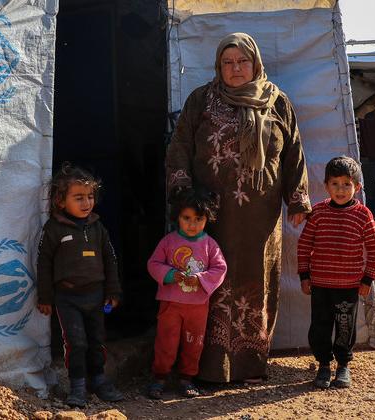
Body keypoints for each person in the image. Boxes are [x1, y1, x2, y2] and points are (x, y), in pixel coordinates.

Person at [165, 32, 311, 382]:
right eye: (227, 62)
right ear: (218, 66)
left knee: (255, 281)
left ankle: (249, 365)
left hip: (260, 217)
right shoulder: (201, 99)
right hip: (211, 215)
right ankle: (208, 368)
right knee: (209, 279)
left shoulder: (277, 102)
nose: (235, 68)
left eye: (242, 61)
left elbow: (293, 152)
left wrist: (297, 198)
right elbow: (180, 144)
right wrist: (183, 190)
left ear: (255, 63)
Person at [36, 163, 123, 407]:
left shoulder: (97, 227)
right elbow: (43, 263)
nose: (86, 203)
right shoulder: (53, 228)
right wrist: (45, 297)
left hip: (95, 295)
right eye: (79, 198)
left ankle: (99, 380)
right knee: (76, 342)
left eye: (90, 196)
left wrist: (113, 290)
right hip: (68, 298)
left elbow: (110, 259)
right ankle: (77, 387)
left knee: (96, 340)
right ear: (60, 201)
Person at [297, 156, 375, 389]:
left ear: (357, 187)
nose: (340, 189)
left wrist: (367, 279)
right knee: (320, 327)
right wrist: (304, 276)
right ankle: (324, 365)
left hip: (348, 285)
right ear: (326, 186)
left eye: (347, 184)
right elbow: (304, 245)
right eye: (335, 183)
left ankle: (343, 366)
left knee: (345, 327)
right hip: (320, 285)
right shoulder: (318, 213)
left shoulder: (362, 214)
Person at [146, 188, 227, 399]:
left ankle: (186, 378)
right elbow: (153, 264)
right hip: (170, 303)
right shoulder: (168, 241)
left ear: (207, 218)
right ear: (178, 217)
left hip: (198, 306)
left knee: (194, 342)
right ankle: (160, 378)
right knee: (166, 341)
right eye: (186, 218)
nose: (192, 224)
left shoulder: (210, 245)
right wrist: (171, 275)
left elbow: (220, 268)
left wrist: (199, 278)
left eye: (198, 219)